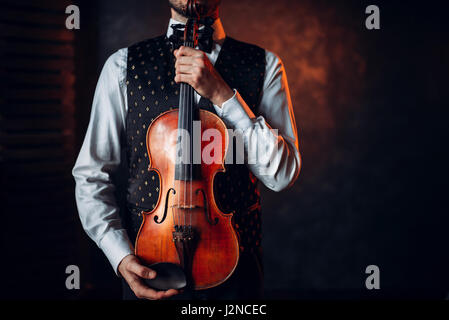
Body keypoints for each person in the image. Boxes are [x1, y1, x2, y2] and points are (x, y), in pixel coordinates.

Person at [73, 0, 301, 300]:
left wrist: (225, 96)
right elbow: (91, 174)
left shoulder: (266, 65)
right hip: (149, 264)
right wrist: (119, 255)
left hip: (235, 271)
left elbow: (281, 175)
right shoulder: (121, 66)